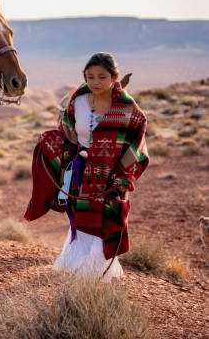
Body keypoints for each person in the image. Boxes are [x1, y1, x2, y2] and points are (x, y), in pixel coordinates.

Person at [25, 52, 150, 280]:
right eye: (90, 76)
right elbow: (67, 129)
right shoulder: (78, 100)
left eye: (102, 77)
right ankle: (78, 274)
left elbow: (138, 145)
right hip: (80, 171)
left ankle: (96, 275)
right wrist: (51, 141)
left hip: (110, 176)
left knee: (104, 224)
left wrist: (124, 178)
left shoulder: (126, 108)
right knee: (79, 223)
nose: (95, 82)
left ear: (115, 77)